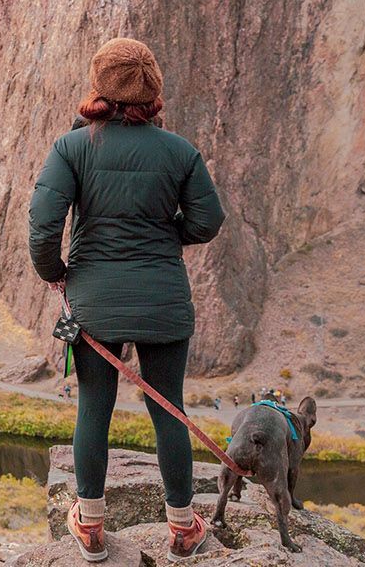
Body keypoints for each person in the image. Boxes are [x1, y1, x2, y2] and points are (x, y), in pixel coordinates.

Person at [28, 37, 224, 561]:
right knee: (169, 412)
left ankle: (90, 526)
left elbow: (44, 225)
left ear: (100, 87)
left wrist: (56, 273)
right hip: (164, 299)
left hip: (94, 299)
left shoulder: (72, 148)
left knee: (95, 407)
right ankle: (183, 528)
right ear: (152, 90)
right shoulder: (180, 151)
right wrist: (164, 237)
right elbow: (208, 221)